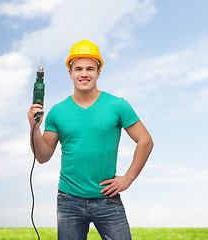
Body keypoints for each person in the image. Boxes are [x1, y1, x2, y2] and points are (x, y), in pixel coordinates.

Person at [27, 40, 153, 240]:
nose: (84, 74)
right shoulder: (57, 111)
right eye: (78, 69)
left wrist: (128, 178)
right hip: (69, 200)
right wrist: (34, 127)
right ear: (70, 73)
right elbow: (42, 157)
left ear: (98, 72)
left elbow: (145, 141)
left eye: (89, 69)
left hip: (107, 199)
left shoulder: (118, 105)